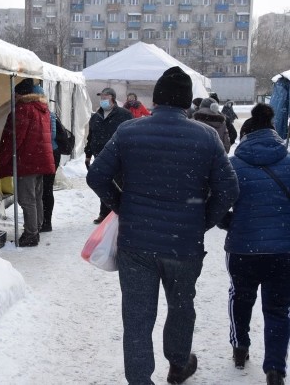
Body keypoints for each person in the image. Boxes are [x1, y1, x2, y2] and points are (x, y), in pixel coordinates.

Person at [86, 66, 239, 385]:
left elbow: (97, 175)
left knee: (138, 317)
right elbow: (228, 188)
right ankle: (179, 364)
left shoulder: (129, 132)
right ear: (186, 103)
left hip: (136, 244)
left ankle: (140, 379)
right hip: (183, 245)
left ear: (155, 99)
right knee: (181, 307)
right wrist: (203, 221)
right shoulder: (206, 136)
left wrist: (122, 206)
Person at [219, 103, 290, 385]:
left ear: (244, 136)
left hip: (243, 248)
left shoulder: (233, 164)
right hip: (283, 250)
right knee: (278, 309)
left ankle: (240, 346)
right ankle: (274, 368)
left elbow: (219, 203)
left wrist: (229, 223)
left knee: (241, 297)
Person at [0, 78, 55, 247]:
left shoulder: (22, 110)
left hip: (27, 160)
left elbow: (15, 138)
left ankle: (30, 234)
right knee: (36, 197)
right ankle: (35, 227)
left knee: (26, 199)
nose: (13, 97)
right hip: (40, 159)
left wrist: (5, 157)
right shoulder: (42, 109)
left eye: (15, 94)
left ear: (20, 94)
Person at [84, 87, 132, 224]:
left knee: (119, 184)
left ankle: (119, 212)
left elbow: (129, 134)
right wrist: (88, 154)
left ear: (113, 98)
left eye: (106, 97)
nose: (103, 100)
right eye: (101, 97)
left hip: (118, 155)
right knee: (103, 183)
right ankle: (104, 213)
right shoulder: (96, 116)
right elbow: (90, 136)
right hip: (99, 155)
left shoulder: (124, 115)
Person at [41, 89, 62, 233]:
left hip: (50, 154)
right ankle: (44, 221)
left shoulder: (49, 114)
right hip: (49, 153)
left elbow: (51, 135)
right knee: (45, 189)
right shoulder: (49, 113)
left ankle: (46, 222)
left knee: (46, 189)